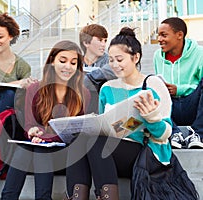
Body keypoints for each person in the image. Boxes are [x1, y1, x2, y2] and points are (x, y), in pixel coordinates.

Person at [65, 27, 172, 199]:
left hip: (145, 151)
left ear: (135, 57)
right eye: (111, 60)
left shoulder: (152, 84)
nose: (114, 65)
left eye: (120, 59)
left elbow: (165, 134)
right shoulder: (107, 88)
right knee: (80, 140)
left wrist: (151, 118)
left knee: (96, 143)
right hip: (110, 148)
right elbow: (105, 125)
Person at [1, 40, 90, 200]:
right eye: (62, 61)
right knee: (26, 148)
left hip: (67, 154)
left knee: (41, 147)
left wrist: (46, 137)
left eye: (73, 63)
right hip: (39, 149)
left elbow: (80, 130)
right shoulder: (35, 89)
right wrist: (32, 132)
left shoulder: (83, 93)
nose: (68, 67)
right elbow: (29, 124)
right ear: (52, 62)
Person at [0, 12, 36, 120]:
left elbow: (23, 97)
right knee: (8, 93)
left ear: (11, 36)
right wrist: (18, 83)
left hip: (11, 110)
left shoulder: (23, 66)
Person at [154, 17, 203, 149]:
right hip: (170, 108)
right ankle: (174, 133)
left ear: (179, 35)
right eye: (158, 35)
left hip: (193, 105)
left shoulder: (199, 53)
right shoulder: (157, 56)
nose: (159, 39)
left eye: (164, 35)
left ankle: (199, 134)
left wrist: (179, 89)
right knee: (151, 85)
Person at [80, 24, 117, 112]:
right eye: (100, 40)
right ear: (86, 42)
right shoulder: (76, 62)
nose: (103, 44)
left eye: (105, 41)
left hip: (104, 110)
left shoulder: (111, 61)